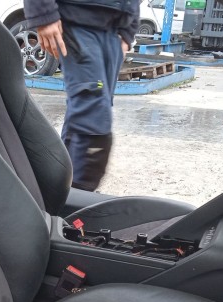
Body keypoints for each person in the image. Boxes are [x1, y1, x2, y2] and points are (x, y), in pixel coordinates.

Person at [25, 0, 140, 192]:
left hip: (114, 30)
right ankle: (80, 194)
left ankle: (63, 191)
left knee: (84, 115)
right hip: (77, 20)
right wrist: (43, 12)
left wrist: (128, 30)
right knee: (93, 122)